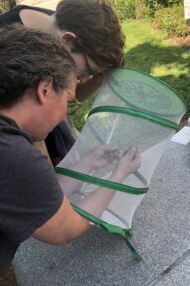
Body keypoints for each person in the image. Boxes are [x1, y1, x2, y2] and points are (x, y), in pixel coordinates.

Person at [0, 25, 140, 274]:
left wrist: (88, 163)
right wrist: (118, 176)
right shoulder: (13, 154)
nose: (66, 113)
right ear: (44, 90)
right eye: (69, 101)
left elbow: (41, 199)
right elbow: (65, 227)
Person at [0, 0, 125, 164]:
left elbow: (69, 94)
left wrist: (98, 78)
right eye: (88, 70)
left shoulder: (58, 25)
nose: (84, 79)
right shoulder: (8, 44)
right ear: (68, 40)